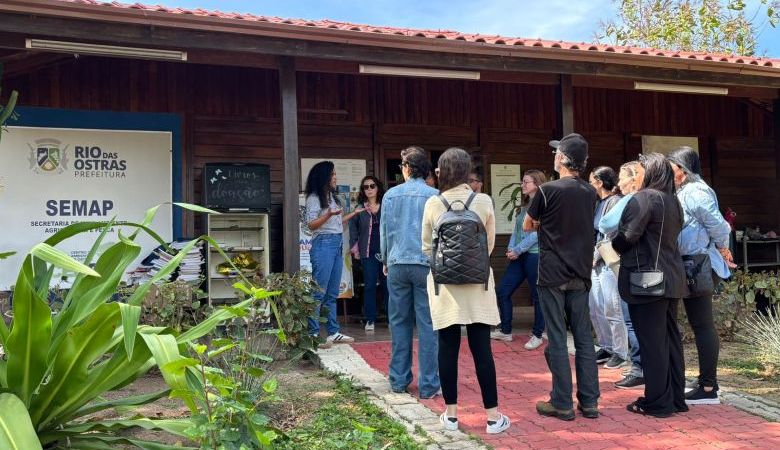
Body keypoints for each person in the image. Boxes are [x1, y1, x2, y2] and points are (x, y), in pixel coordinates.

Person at [422, 147, 510, 434]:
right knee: (482, 350)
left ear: (442, 171)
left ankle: (451, 415)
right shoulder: (483, 201)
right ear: (466, 170)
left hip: (445, 286)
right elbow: (490, 245)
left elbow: (426, 247)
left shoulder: (434, 203)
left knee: (447, 349)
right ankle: (494, 417)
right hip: (478, 284)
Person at [524, 133, 600, 421]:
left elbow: (528, 224)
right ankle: (590, 402)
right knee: (582, 338)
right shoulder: (590, 191)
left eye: (557, 153)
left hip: (553, 271)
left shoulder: (547, 190)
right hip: (581, 271)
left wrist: (545, 223)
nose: (554, 156)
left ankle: (562, 402)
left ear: (563, 159)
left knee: (556, 337)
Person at [612, 152, 687, 418]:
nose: (638, 173)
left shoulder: (644, 198)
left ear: (651, 171)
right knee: (670, 340)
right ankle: (676, 397)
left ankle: (657, 402)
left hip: (647, 281)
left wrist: (614, 244)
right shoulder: (672, 201)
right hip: (671, 277)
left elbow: (627, 237)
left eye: (641, 169)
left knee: (652, 342)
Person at [667, 146, 735, 405]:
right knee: (698, 323)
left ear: (682, 170)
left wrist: (723, 246)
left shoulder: (697, 191)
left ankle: (709, 387)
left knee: (702, 323)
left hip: (699, 264)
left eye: (671, 166)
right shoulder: (684, 190)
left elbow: (718, 225)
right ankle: (705, 382)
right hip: (690, 262)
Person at [380, 146, 441, 399]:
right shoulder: (435, 195)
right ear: (425, 171)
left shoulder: (390, 195)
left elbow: (385, 232)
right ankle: (428, 385)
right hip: (426, 264)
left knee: (399, 322)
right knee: (428, 325)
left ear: (406, 168)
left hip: (397, 262)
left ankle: (398, 379)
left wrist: (385, 259)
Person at [490, 169, 547, 350]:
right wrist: (510, 247)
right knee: (503, 290)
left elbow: (538, 233)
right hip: (519, 255)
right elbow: (516, 230)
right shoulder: (524, 207)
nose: (522, 185)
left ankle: (538, 334)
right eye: (523, 182)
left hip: (534, 255)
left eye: (526, 182)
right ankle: (506, 331)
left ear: (537, 184)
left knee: (537, 295)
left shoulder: (543, 205)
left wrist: (518, 249)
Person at [602, 161, 646, 390]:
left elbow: (606, 223)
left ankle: (639, 368)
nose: (618, 183)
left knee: (631, 320)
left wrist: (616, 240)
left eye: (622, 178)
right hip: (650, 266)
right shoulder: (659, 198)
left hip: (632, 264)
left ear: (633, 179)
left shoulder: (632, 199)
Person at [304, 161, 356, 346]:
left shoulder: (331, 197)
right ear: (324, 176)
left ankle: (333, 332)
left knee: (332, 292)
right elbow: (310, 225)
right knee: (318, 291)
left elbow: (336, 222)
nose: (335, 177)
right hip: (323, 243)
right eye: (332, 174)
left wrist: (353, 214)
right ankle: (313, 333)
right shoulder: (313, 197)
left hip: (336, 242)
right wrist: (328, 215)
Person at [588, 166, 630, 370]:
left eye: (591, 181)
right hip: (596, 260)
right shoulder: (598, 203)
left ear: (600, 181)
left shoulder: (615, 202)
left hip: (608, 259)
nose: (589, 185)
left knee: (612, 306)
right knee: (595, 307)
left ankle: (620, 351)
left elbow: (611, 233)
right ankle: (605, 345)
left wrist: (595, 255)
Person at [349, 175, 389, 332]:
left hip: (386, 251)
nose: (369, 189)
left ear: (378, 187)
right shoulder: (360, 209)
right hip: (368, 252)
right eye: (366, 187)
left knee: (387, 286)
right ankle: (370, 319)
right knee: (370, 286)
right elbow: (353, 230)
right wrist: (355, 249)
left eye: (372, 186)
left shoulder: (387, 206)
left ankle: (390, 319)